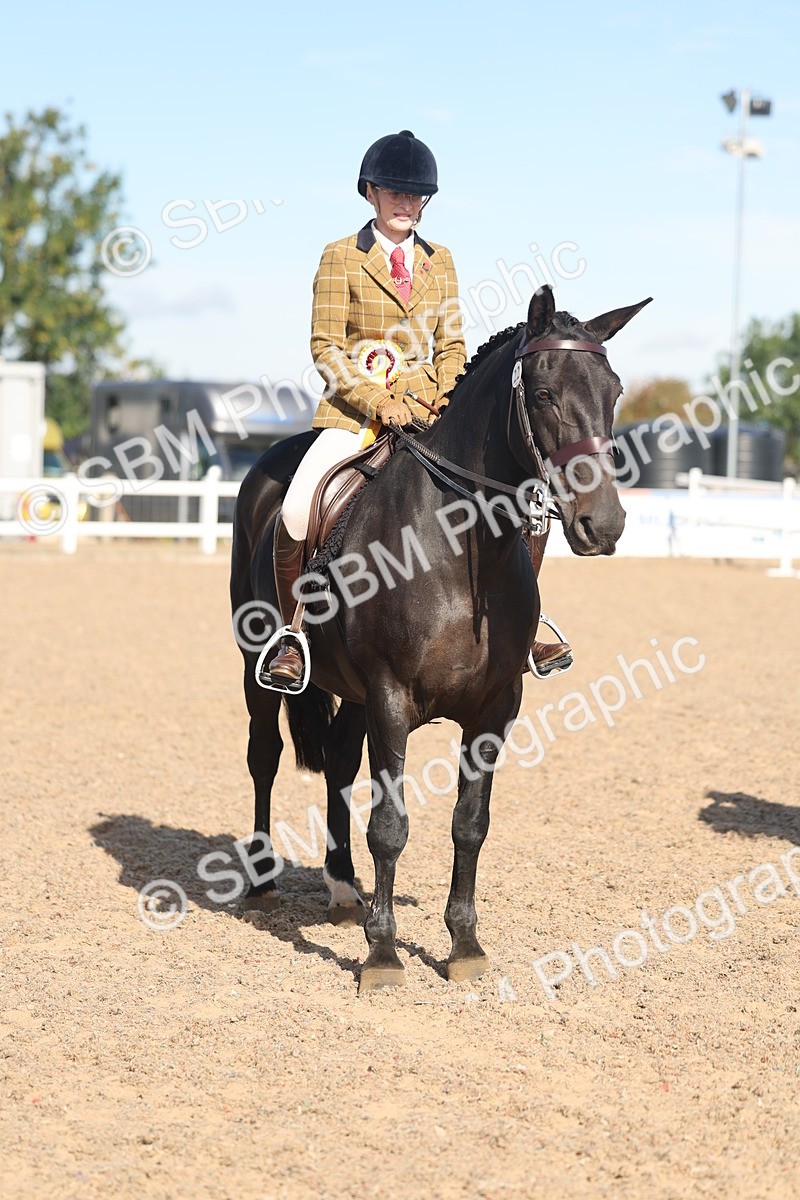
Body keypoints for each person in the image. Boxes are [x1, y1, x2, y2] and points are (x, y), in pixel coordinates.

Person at [267, 130, 571, 682]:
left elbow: (453, 345)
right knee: (294, 510)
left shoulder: (441, 261)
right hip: (355, 415)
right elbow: (326, 348)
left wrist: (440, 392)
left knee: (517, 496)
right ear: (370, 193)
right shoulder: (341, 257)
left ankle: (526, 623)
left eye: (414, 196)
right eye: (393, 193)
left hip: (432, 413)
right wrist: (381, 402)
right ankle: (295, 633)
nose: (404, 204)